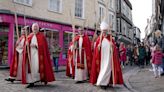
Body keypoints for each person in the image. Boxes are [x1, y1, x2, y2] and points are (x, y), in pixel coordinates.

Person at [90, 21, 123, 88]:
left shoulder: (110, 39)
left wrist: (112, 46)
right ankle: (102, 82)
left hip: (108, 58)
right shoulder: (99, 39)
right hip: (101, 58)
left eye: (105, 31)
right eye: (103, 31)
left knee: (107, 70)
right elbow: (96, 50)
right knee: (102, 70)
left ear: (107, 31)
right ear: (101, 31)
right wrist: (98, 47)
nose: (104, 32)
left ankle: (106, 83)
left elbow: (114, 50)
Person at [22, 23, 55, 88]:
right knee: (31, 68)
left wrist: (36, 46)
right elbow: (25, 47)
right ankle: (31, 82)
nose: (35, 29)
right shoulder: (29, 36)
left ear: (38, 28)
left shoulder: (42, 36)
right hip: (31, 55)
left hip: (38, 55)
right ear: (32, 29)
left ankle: (41, 79)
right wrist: (26, 45)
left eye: (36, 28)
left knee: (38, 67)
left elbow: (43, 47)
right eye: (34, 28)